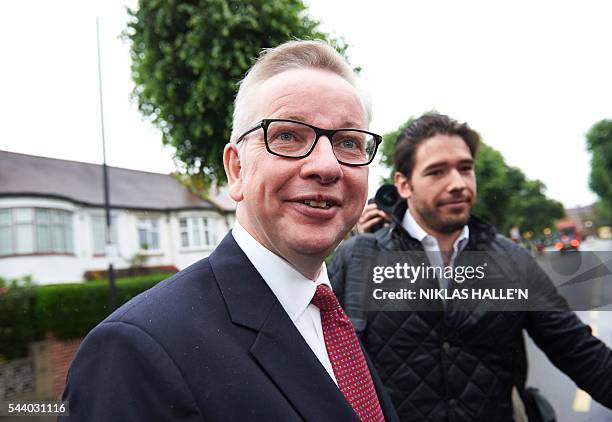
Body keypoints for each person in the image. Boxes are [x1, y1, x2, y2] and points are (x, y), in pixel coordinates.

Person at [61, 40, 399, 422]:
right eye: (288, 136)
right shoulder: (133, 350)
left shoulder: (331, 316)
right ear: (236, 169)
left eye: (349, 142)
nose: (326, 166)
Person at [329, 113, 612, 421]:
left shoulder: (512, 260)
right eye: (437, 172)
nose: (458, 184)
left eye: (465, 168)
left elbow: (580, 353)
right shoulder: (357, 259)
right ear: (404, 184)